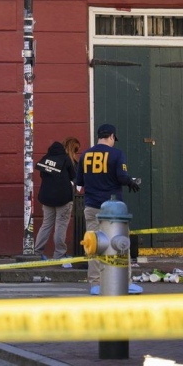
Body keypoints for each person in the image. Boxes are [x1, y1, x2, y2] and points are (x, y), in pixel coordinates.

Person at [76, 124, 142, 295]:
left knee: (94, 245)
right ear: (112, 136)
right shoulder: (117, 154)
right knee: (120, 244)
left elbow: (80, 182)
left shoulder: (85, 155)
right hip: (114, 211)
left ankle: (96, 283)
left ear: (99, 136)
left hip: (92, 206)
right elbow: (121, 176)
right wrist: (130, 182)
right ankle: (124, 283)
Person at [34, 137, 79, 267]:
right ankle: (59, 254)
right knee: (61, 225)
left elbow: (42, 175)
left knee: (46, 225)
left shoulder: (45, 159)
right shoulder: (66, 159)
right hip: (63, 198)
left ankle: (37, 252)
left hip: (46, 198)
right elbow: (74, 176)